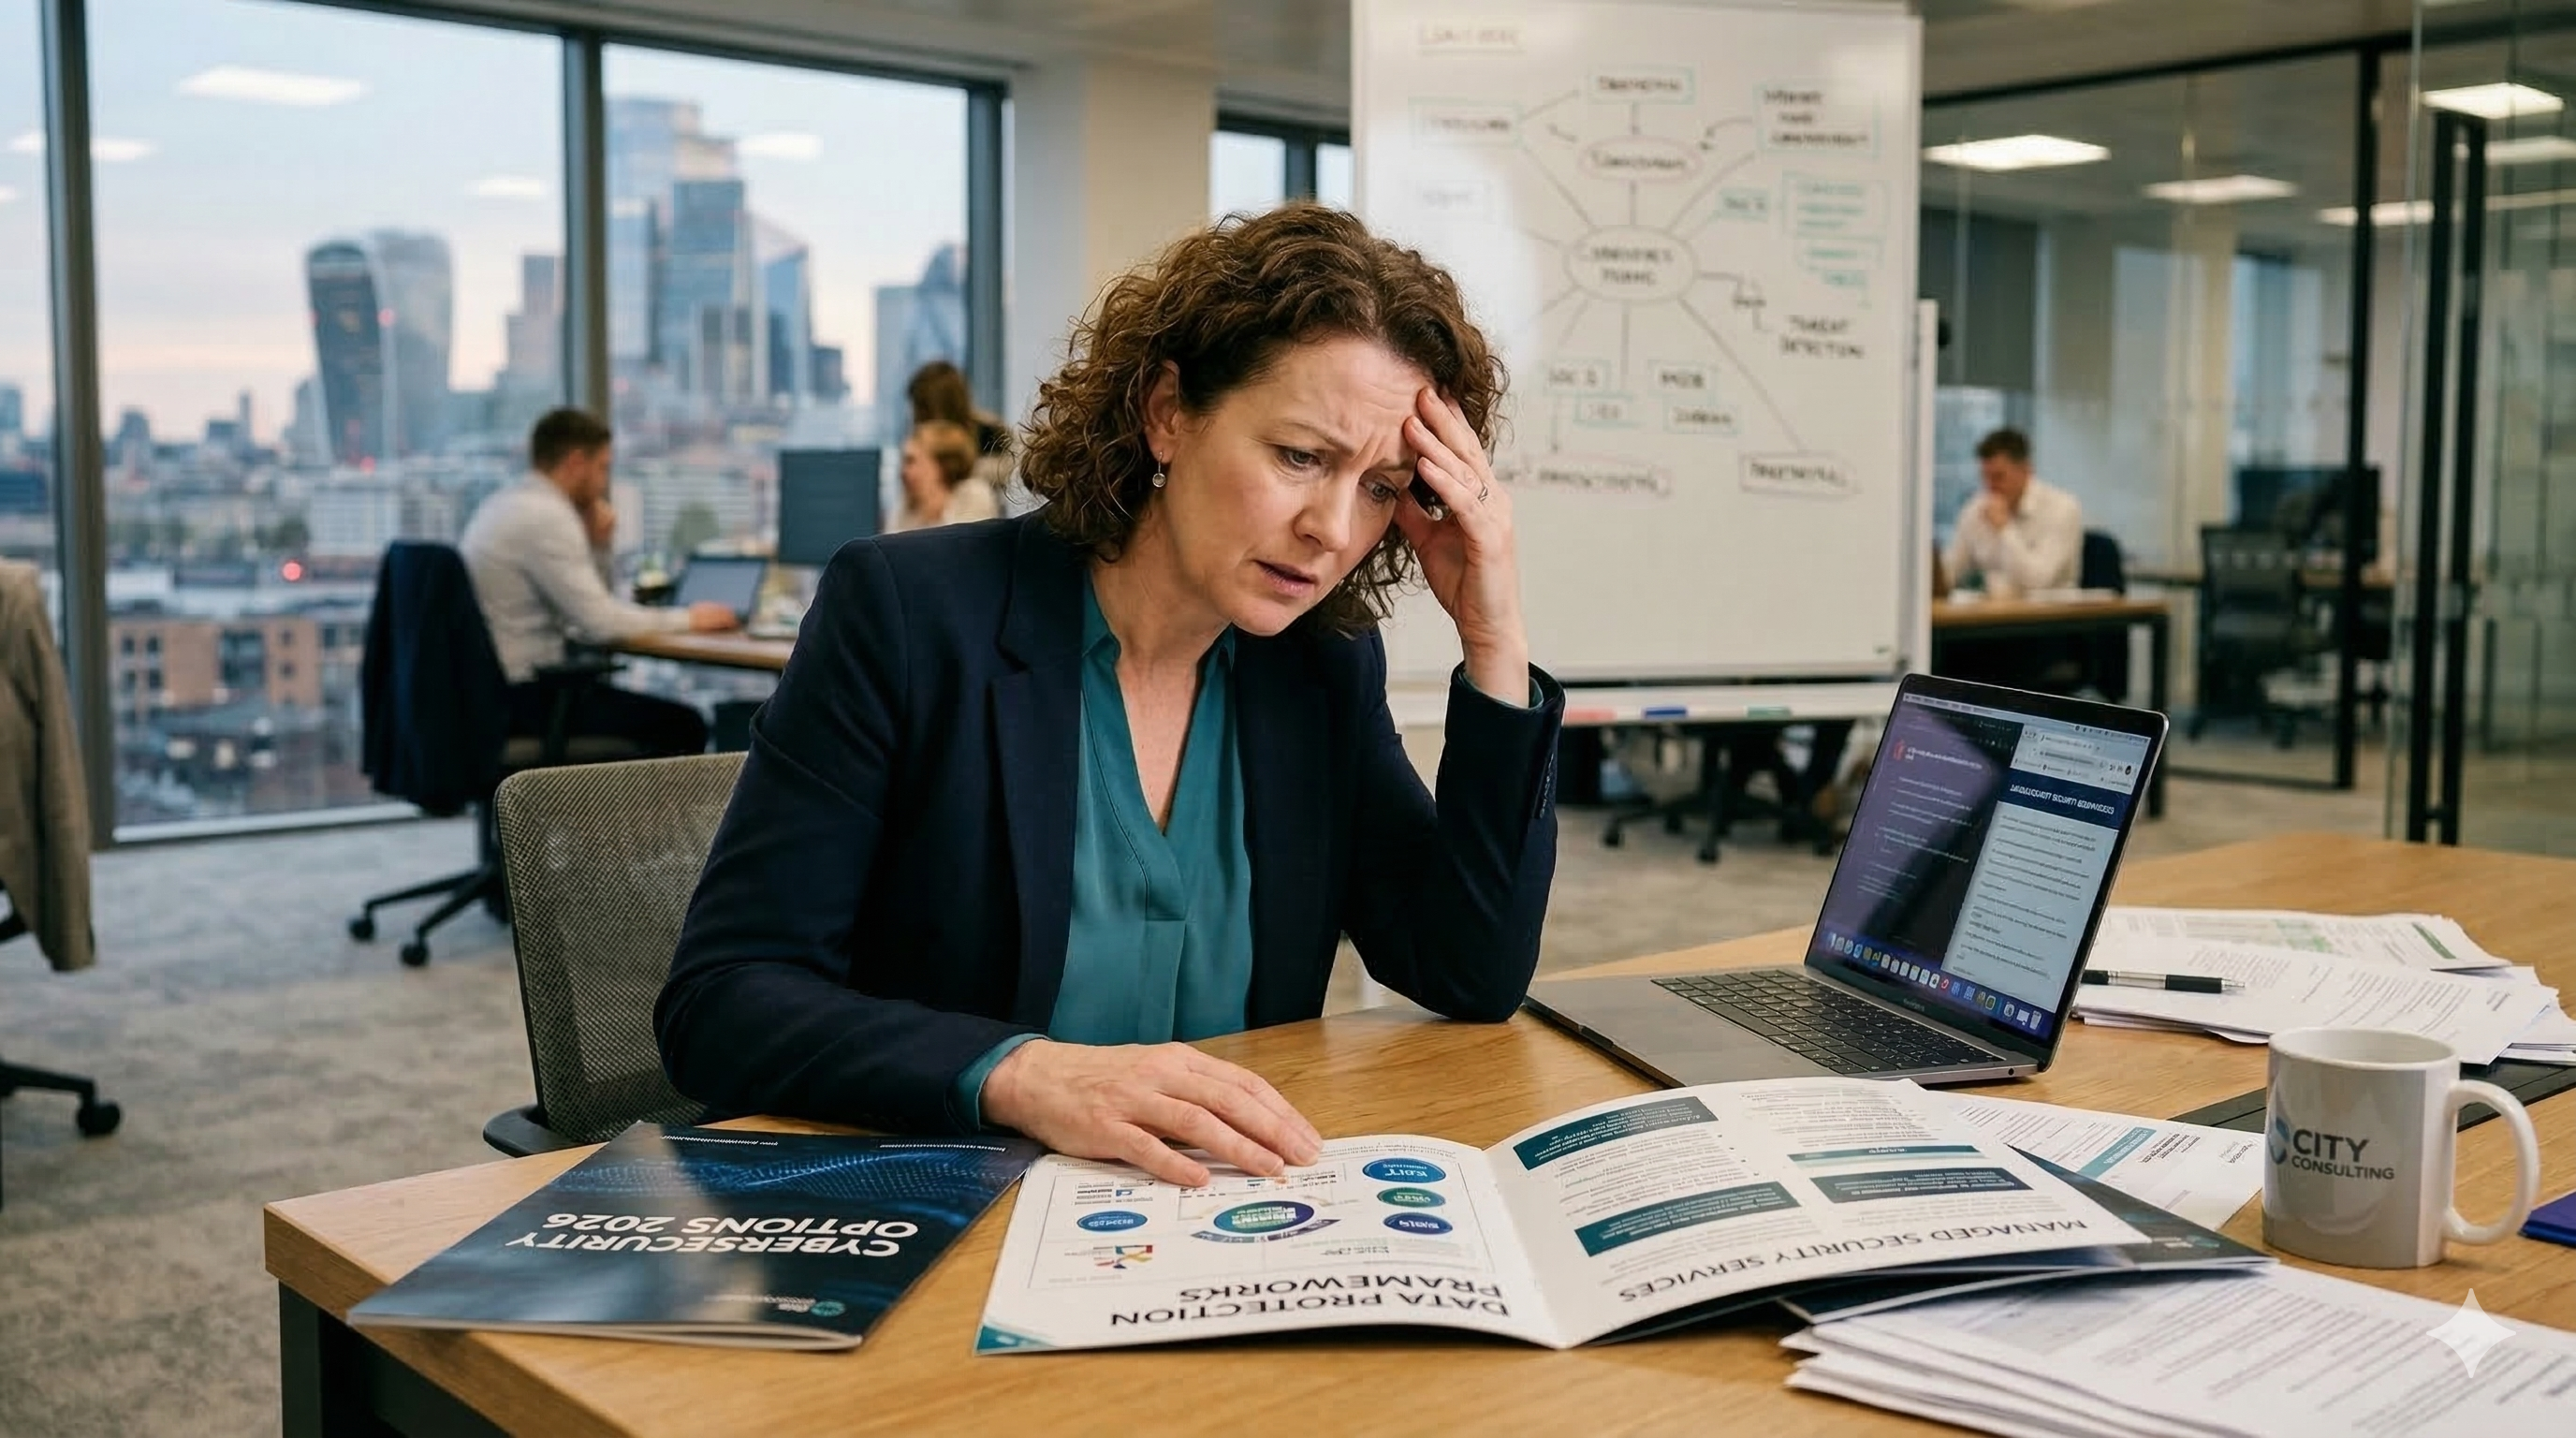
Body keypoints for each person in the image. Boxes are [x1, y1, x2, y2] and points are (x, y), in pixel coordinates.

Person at [658, 204, 1565, 1187]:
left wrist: (1493, 634)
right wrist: (1022, 1074)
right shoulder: (912, 615)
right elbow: (724, 1000)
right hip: (944, 1196)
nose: (1332, 528)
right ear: (1167, 412)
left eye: (1383, 487)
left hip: (1208, 1219)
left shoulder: (1316, 666)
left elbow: (1467, 971)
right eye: (1299, 457)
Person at [457, 407, 735, 758]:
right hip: (527, 698)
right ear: (576, 462)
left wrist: (599, 547)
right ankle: (616, 814)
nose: (604, 482)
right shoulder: (547, 517)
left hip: (491, 696)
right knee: (685, 724)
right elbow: (600, 624)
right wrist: (690, 618)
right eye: (603, 467)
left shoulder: (502, 505)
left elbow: (590, 610)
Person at [1943, 427, 2083, 597]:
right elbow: (1951, 570)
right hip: (1991, 614)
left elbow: (2037, 582)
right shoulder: (1976, 507)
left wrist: (2004, 529)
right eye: (1985, 476)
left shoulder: (2062, 509)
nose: (1990, 486)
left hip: (2050, 616)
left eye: (1998, 477)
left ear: (2026, 471)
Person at [906, 359, 1015, 493]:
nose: (917, 417)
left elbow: (1007, 473)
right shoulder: (919, 443)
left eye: (921, 408)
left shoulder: (991, 432)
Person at [890, 419, 1002, 531]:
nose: (903, 471)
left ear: (941, 464)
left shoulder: (973, 495)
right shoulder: (904, 509)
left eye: (911, 461)